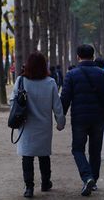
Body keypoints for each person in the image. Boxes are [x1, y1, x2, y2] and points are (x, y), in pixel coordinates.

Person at [60, 44, 104, 196]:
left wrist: (60, 117)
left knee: (78, 149)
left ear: (78, 56)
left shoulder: (71, 74)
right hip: (98, 118)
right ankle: (93, 181)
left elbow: (65, 98)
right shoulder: (103, 74)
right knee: (95, 150)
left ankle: (87, 177)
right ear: (92, 56)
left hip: (79, 118)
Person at [10, 52, 65, 198]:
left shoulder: (21, 80)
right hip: (44, 126)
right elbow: (57, 106)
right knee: (44, 155)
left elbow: (12, 101)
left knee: (27, 157)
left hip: (26, 125)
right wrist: (61, 122)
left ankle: (29, 188)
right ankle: (46, 183)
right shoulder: (50, 82)